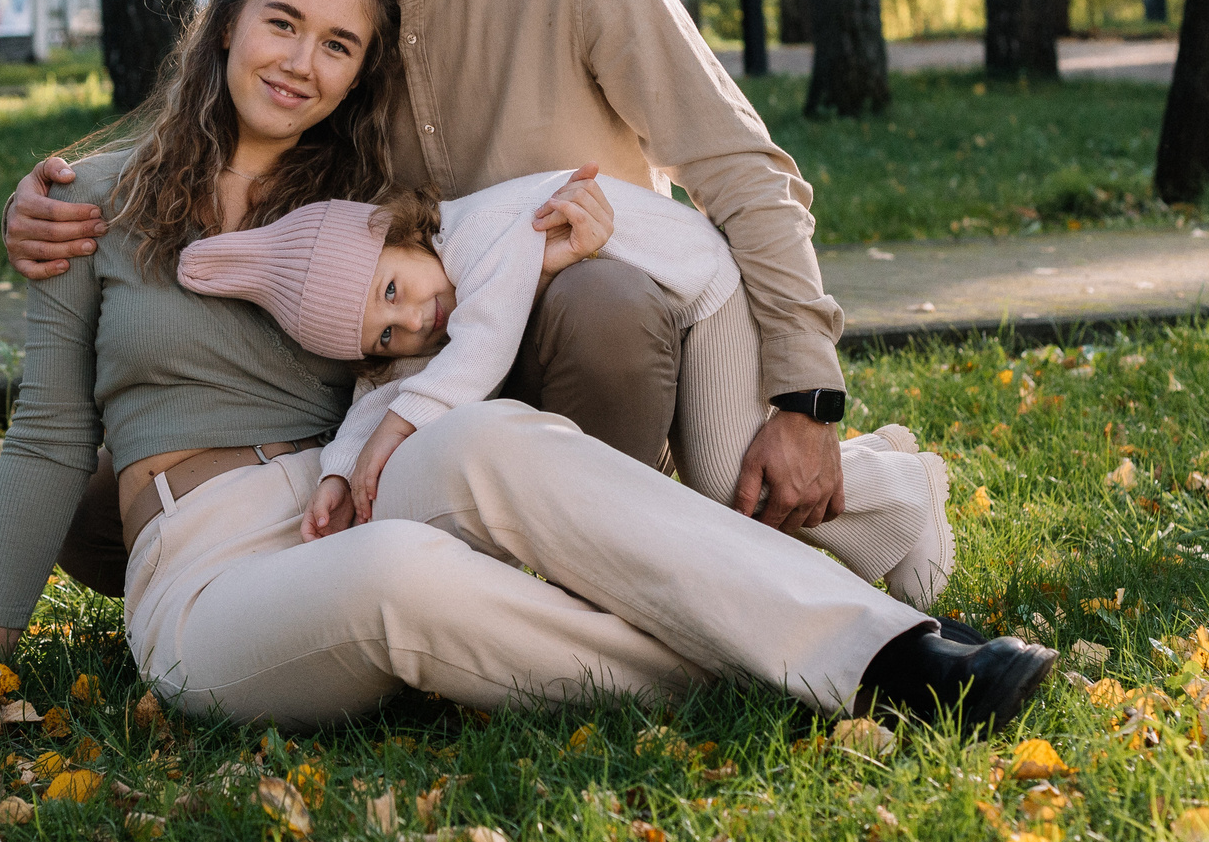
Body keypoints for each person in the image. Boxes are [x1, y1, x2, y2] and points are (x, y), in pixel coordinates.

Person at [0, 0, 1055, 733]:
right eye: (280, 23)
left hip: (350, 487)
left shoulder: (368, 206)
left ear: (361, 71)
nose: (300, 63)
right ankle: (764, 658)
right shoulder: (84, 202)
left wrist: (584, 230)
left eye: (338, 45)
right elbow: (50, 435)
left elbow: (480, 290)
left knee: (488, 436)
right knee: (394, 579)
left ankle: (899, 660)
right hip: (210, 561)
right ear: (224, 24)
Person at [9, 0, 858, 596]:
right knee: (102, 518)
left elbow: (742, 169)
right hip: (408, 375)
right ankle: (424, 579)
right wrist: (64, 198)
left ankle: (613, 583)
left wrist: (805, 397)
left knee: (601, 296)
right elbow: (228, 122)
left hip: (594, 357)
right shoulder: (322, 6)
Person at [178, 174, 952, 607]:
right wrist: (344, 470)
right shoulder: (429, 306)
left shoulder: (484, 230)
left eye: (392, 287)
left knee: (726, 479)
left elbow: (475, 352)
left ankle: (903, 489)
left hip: (704, 294)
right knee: (729, 485)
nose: (413, 319)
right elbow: (384, 391)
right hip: (664, 312)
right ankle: (879, 470)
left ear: (398, 233)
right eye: (384, 333)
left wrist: (393, 434)